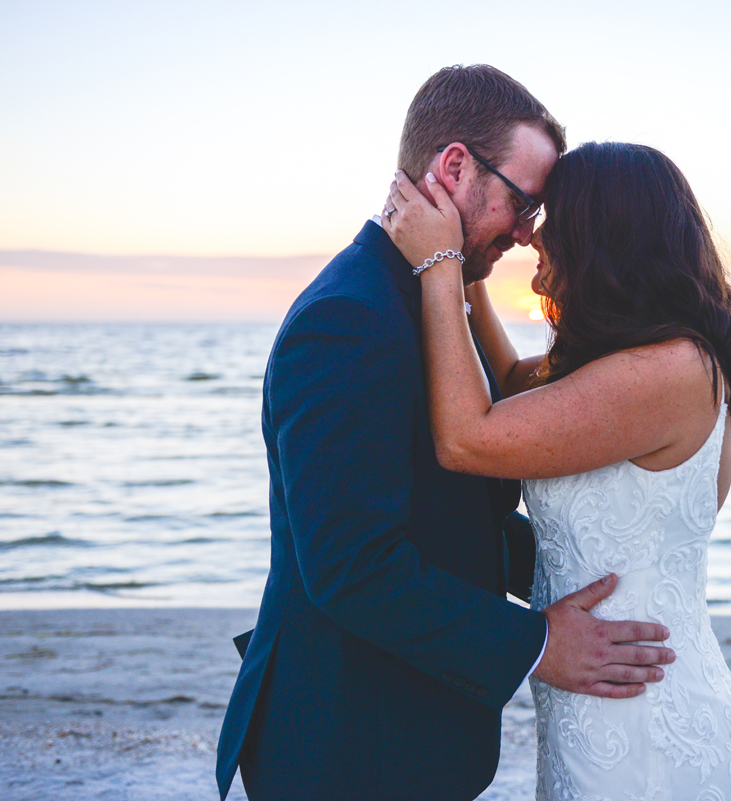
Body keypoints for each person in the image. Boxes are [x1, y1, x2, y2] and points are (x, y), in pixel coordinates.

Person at [215, 67, 675, 801]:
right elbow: (351, 566)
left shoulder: (432, 296)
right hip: (348, 743)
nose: (527, 236)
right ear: (455, 166)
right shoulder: (350, 320)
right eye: (522, 203)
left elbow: (460, 515)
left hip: (410, 736)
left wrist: (602, 564)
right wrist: (540, 644)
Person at [383, 140, 731, 799]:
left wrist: (438, 264)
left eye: (549, 241)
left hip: (646, 718)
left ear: (600, 243)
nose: (534, 260)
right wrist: (471, 270)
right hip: (604, 701)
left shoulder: (669, 371)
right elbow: (513, 385)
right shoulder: (637, 361)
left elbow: (469, 437)